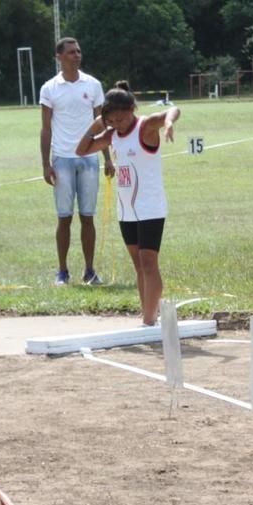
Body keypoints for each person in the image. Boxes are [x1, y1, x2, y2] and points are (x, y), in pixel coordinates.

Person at [75, 82, 180, 326]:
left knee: (148, 262)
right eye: (113, 121)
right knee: (138, 265)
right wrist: (98, 124)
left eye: (121, 119)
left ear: (132, 109)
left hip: (150, 207)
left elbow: (174, 110)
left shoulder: (145, 126)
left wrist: (168, 123)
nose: (118, 124)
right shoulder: (112, 134)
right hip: (127, 210)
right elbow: (82, 150)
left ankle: (149, 320)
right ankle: (148, 315)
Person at [39, 37, 114, 286]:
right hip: (62, 160)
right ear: (59, 57)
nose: (77, 55)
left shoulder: (92, 85)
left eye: (79, 51)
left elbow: (102, 124)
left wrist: (107, 158)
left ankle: (90, 271)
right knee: (64, 217)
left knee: (87, 217)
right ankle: (62, 271)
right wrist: (45, 164)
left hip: (89, 159)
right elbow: (45, 129)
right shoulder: (49, 88)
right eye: (71, 52)